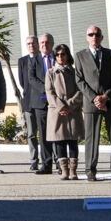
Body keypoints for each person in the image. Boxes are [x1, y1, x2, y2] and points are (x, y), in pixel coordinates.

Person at [75, 25, 111, 182]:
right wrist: (95, 98)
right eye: (91, 34)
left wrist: (105, 97)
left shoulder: (110, 54)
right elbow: (79, 80)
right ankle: (90, 169)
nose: (94, 37)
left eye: (97, 34)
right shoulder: (80, 56)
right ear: (87, 37)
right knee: (91, 138)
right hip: (91, 104)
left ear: (102, 37)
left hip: (110, 101)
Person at [44, 44, 84, 179]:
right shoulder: (50, 72)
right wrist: (61, 106)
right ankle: (64, 170)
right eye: (57, 55)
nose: (60, 57)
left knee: (73, 141)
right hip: (57, 112)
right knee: (60, 141)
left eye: (63, 54)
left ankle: (73, 170)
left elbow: (80, 90)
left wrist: (70, 105)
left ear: (68, 55)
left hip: (73, 111)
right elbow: (49, 92)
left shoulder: (75, 72)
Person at [16, 34, 52, 175]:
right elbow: (22, 81)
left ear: (38, 44)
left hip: (43, 99)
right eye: (28, 44)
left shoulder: (44, 59)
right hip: (29, 101)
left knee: (47, 132)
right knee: (32, 133)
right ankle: (34, 160)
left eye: (33, 43)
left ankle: (52, 159)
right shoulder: (22, 61)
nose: (31, 45)